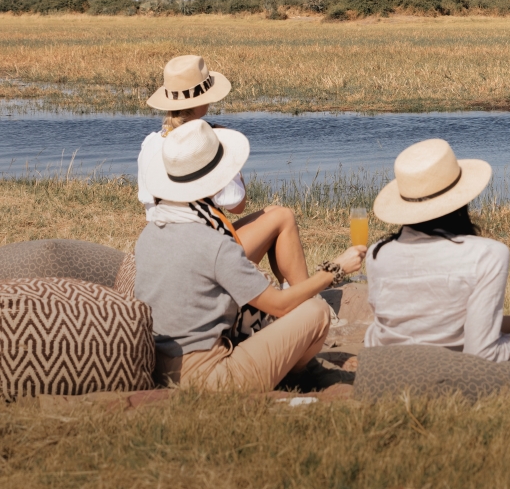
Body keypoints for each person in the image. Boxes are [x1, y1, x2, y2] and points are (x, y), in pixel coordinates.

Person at [135, 117, 366, 390]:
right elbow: (280, 305)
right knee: (315, 312)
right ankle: (296, 375)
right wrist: (335, 269)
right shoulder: (213, 243)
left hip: (160, 367)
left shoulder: (150, 232)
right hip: (210, 377)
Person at [364, 138, 510, 361]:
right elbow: (483, 354)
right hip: (450, 375)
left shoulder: (377, 254)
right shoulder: (488, 254)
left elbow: (417, 322)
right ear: (460, 199)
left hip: (385, 368)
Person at [137, 55, 312, 288]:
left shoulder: (150, 143)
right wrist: (230, 156)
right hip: (201, 257)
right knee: (284, 217)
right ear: (202, 101)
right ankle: (305, 298)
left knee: (272, 211)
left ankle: (289, 290)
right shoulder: (207, 145)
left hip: (161, 247)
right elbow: (238, 206)